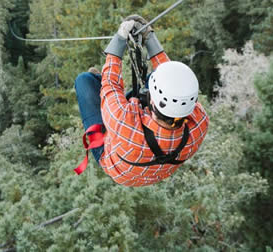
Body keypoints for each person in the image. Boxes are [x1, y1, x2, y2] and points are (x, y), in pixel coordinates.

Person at [74, 15, 209, 187]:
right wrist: (149, 37)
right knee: (154, 78)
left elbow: (110, 85)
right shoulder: (200, 121)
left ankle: (99, 84)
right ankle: (112, 95)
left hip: (117, 161)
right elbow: (172, 78)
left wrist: (120, 39)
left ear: (152, 102)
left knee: (84, 81)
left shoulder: (124, 121)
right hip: (150, 158)